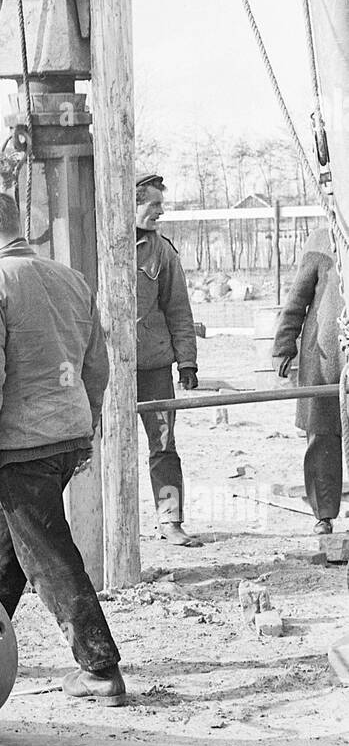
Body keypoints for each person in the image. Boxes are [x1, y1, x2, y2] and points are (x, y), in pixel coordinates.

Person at [0, 190, 126, 706]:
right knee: (12, 547)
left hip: (21, 445)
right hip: (66, 437)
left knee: (48, 554)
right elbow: (97, 367)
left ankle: (100, 667)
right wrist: (85, 427)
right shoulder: (71, 280)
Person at [135, 174, 203, 547]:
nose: (160, 213)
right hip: (102, 369)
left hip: (153, 368)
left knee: (163, 446)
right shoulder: (94, 241)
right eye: (154, 206)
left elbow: (178, 309)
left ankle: (170, 520)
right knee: (84, 446)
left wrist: (187, 363)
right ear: (130, 203)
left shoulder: (162, 251)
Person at [272, 227, 344, 535]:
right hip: (325, 360)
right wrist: (283, 345)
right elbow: (297, 299)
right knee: (322, 438)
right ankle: (323, 515)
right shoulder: (321, 239)